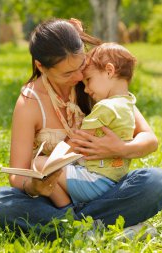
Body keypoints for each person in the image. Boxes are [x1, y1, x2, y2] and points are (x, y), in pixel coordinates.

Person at [0, 18, 162, 240]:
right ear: (41, 66)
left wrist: (120, 148)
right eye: (67, 74)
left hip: (103, 189)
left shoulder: (95, 81)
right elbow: (16, 175)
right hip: (54, 197)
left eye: (81, 66)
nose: (79, 77)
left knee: (157, 182)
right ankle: (99, 228)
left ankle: (71, 229)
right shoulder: (30, 102)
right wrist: (35, 187)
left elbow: (150, 139)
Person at [35, 42, 139, 208]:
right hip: (114, 179)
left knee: (40, 164)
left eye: (88, 80)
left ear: (109, 71)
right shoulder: (128, 103)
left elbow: (78, 141)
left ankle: (68, 211)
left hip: (95, 181)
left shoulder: (106, 107)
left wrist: (51, 162)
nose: (86, 89)